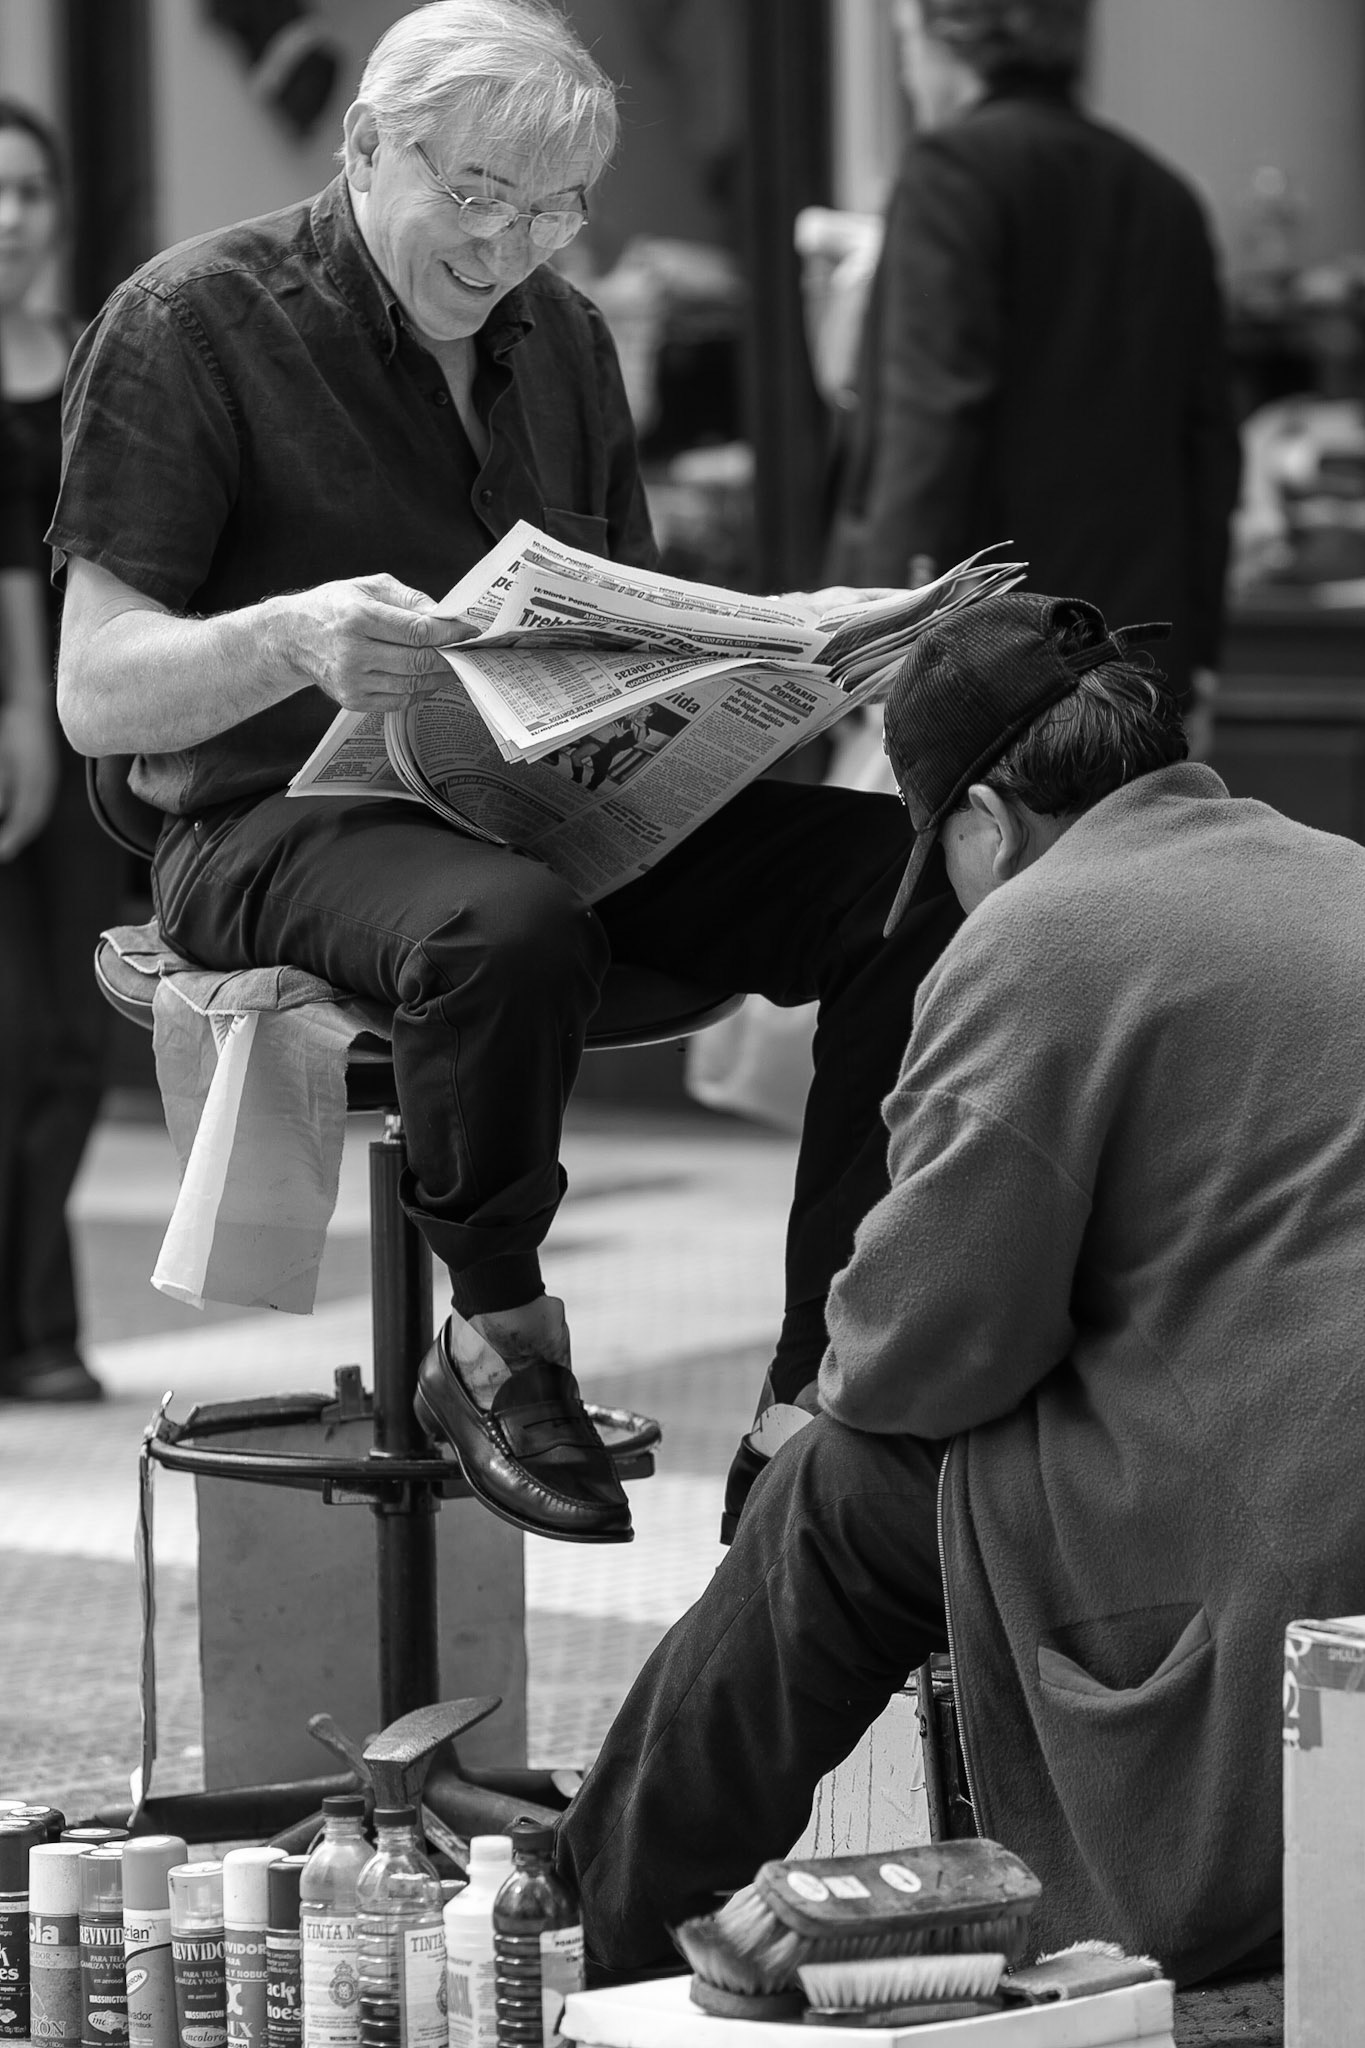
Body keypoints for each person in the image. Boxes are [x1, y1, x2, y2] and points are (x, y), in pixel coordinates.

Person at [52, 0, 962, 1539]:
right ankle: (496, 1336)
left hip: (539, 801)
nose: (506, 248)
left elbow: (623, 646)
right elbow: (93, 692)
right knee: (506, 929)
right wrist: (293, 636)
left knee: (911, 879)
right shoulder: (190, 321)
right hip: (272, 822)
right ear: (363, 148)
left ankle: (822, 1380)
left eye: (551, 212)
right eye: (473, 195)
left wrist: (782, 667)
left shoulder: (569, 337)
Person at [557, 590, 1365, 1984]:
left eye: (944, 857)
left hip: (1287, 1526)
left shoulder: (1039, 931)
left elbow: (931, 1344)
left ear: (984, 819)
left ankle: (609, 1940)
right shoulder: (1331, 868)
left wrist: (813, 1405)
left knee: (834, 1489)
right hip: (1291, 1438)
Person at [829, 0, 1241, 748]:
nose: (903, 70)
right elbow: (1209, 443)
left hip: (991, 664)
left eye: (902, 42)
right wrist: (1201, 655)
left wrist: (885, 639)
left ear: (945, 37)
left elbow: (932, 419)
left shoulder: (951, 169)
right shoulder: (1165, 192)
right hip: (1139, 658)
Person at [0, 100, 117, 1403]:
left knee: (73, 1047)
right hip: (16, 722)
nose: (10, 217)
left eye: (30, 190)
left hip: (87, 739)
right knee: (9, 1039)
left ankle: (40, 1323)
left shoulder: (97, 361)